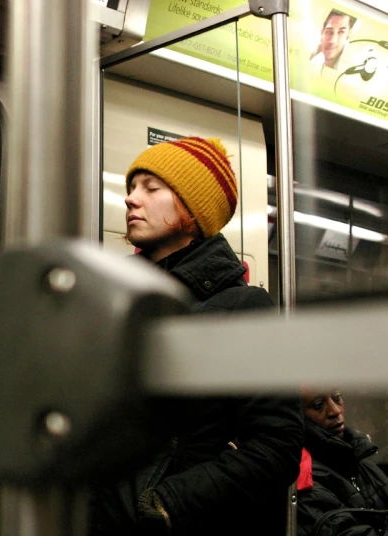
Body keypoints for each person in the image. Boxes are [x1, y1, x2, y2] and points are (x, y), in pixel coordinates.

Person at [89, 137, 304, 536]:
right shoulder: (113, 297)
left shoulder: (242, 307)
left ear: (194, 209)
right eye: (132, 188)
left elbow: (277, 446)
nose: (131, 199)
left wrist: (171, 502)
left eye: (151, 189)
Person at [297, 388, 388, 536]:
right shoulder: (304, 479)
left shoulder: (360, 463)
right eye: (319, 405)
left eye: (337, 398)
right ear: (297, 416)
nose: (335, 411)